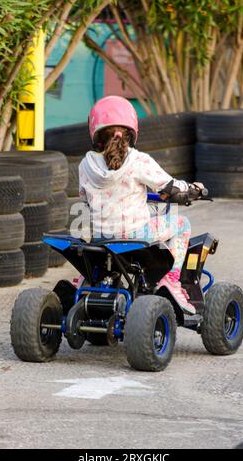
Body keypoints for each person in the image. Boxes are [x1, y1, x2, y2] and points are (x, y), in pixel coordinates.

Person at [78, 95, 204, 314]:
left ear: (95, 131)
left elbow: (84, 199)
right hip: (136, 235)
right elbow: (171, 187)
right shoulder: (138, 161)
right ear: (131, 130)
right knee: (182, 224)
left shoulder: (85, 164)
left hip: (102, 237)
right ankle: (171, 280)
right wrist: (194, 189)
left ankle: (85, 281)